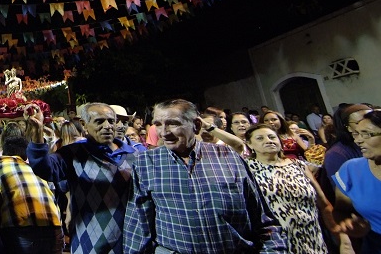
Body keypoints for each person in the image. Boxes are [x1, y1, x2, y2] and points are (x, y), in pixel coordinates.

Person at [122, 99, 287, 254]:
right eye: (158, 124)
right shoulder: (146, 162)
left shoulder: (228, 157)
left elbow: (263, 220)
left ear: (196, 125)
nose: (164, 132)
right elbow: (138, 225)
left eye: (173, 123)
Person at [27, 102, 138, 254]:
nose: (107, 126)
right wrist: (37, 132)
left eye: (111, 121)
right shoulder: (73, 154)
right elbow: (44, 168)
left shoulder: (135, 156)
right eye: (99, 121)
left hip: (130, 244)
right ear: (84, 125)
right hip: (88, 244)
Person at [245, 124, 338, 253]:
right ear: (249, 144)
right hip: (276, 245)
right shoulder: (246, 169)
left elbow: (324, 204)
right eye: (260, 138)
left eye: (272, 137)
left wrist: (341, 237)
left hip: (312, 240)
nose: (268, 140)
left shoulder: (298, 165)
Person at [0, 129, 63, 253]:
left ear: (4, 152)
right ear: (26, 155)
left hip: (20, 226)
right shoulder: (36, 168)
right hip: (54, 223)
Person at [332, 109, 381, 253]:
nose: (358, 140)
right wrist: (349, 224)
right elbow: (341, 211)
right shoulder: (351, 170)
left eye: (367, 134)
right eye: (356, 134)